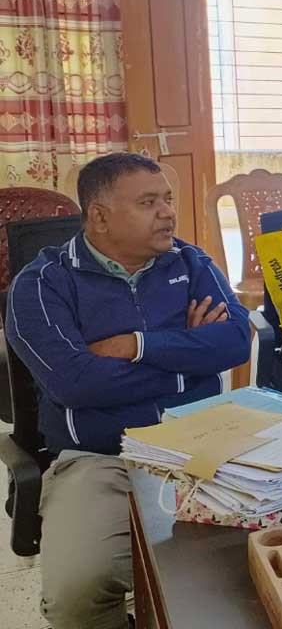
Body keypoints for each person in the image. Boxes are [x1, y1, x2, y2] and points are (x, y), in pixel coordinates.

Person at [5, 153, 251, 629]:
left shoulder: (191, 263)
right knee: (77, 590)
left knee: (281, 548)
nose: (168, 213)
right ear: (99, 217)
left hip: (204, 444)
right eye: (148, 202)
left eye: (168, 200)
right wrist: (189, 360)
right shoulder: (41, 285)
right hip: (101, 457)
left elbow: (237, 342)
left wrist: (138, 345)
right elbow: (75, 383)